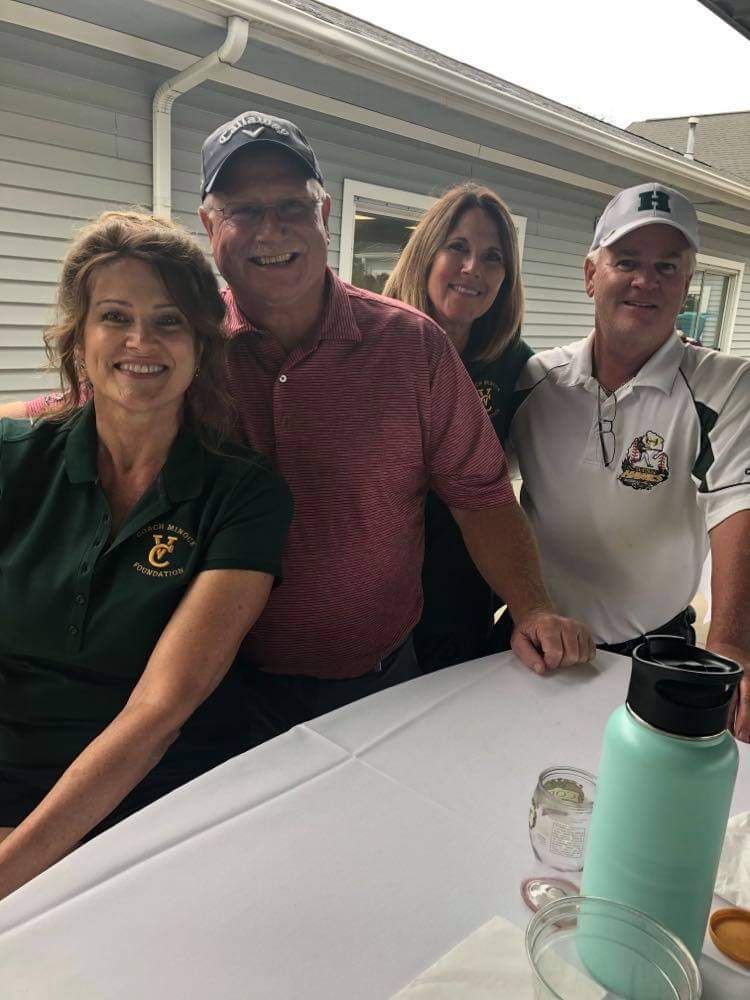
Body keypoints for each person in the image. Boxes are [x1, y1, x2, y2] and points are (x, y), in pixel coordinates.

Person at [2, 112, 593, 741]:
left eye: (291, 205)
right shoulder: (184, 346)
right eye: (244, 211)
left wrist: (532, 606)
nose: (271, 229)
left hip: (377, 680)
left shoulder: (412, 347)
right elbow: (80, 405)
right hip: (218, 688)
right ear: (209, 224)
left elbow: (481, 494)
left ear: (325, 214)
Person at [0, 211, 293, 899]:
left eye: (169, 321)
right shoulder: (13, 462)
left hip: (156, 807)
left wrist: (11, 873)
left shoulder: (244, 493)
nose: (141, 341)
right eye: (114, 317)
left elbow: (159, 711)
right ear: (79, 337)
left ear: (202, 344)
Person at [506, 181, 750, 742]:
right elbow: (480, 492)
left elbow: (738, 509)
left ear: (686, 286)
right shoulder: (535, 380)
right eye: (627, 261)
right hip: (541, 641)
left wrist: (732, 644)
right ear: (591, 274)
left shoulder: (727, 385)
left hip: (658, 652)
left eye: (668, 267)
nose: (647, 280)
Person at [383, 184, 533, 671]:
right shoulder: (374, 341)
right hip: (374, 580)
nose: (473, 268)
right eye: (457, 247)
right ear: (426, 254)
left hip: (462, 586)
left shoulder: (514, 364)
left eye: (492, 257)